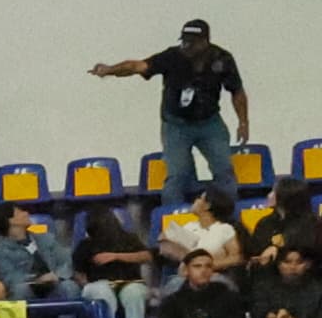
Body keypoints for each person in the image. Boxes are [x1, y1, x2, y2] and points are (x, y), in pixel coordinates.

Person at [91, 18, 250, 207]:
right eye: (185, 41)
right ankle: (172, 217)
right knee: (177, 175)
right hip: (176, 126)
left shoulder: (222, 59)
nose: (187, 46)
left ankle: (227, 216)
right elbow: (136, 66)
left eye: (192, 42)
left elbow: (237, 92)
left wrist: (243, 122)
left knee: (224, 171)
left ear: (205, 41)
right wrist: (109, 70)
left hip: (210, 123)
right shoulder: (171, 56)